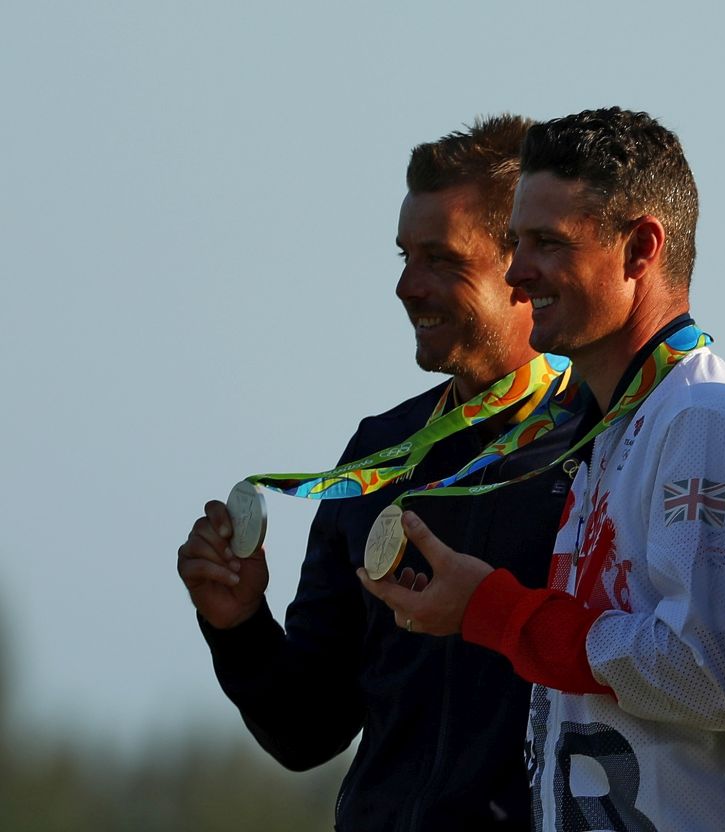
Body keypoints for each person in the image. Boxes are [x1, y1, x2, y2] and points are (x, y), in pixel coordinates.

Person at [361, 108, 725, 831]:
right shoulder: (616, 426)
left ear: (640, 249)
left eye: (545, 243)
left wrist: (495, 611)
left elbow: (712, 675)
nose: (516, 270)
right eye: (514, 242)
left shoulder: (700, 419)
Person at [176, 115, 581, 831]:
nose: (406, 286)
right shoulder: (383, 451)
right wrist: (238, 626)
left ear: (522, 266)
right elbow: (307, 732)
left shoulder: (605, 441)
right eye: (404, 255)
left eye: (441, 259)